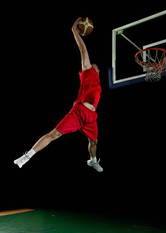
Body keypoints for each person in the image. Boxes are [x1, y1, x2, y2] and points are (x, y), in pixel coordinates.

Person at [14, 17, 103, 172]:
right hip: (79, 112)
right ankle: (27, 156)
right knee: (54, 134)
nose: (94, 64)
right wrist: (75, 31)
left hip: (91, 117)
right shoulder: (88, 71)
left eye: (97, 65)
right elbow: (83, 50)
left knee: (94, 142)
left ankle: (93, 160)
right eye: (93, 63)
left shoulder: (98, 83)